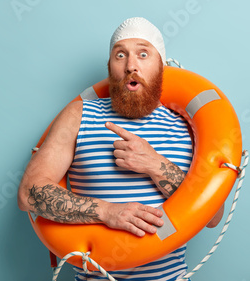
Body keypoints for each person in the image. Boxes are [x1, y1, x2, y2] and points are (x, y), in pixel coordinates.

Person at [17, 17, 224, 281]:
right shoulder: (79, 115)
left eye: (143, 53)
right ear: (110, 67)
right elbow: (28, 194)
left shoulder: (187, 126)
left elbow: (213, 216)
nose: (131, 66)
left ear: (161, 65)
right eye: (120, 55)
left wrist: (154, 164)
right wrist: (107, 211)